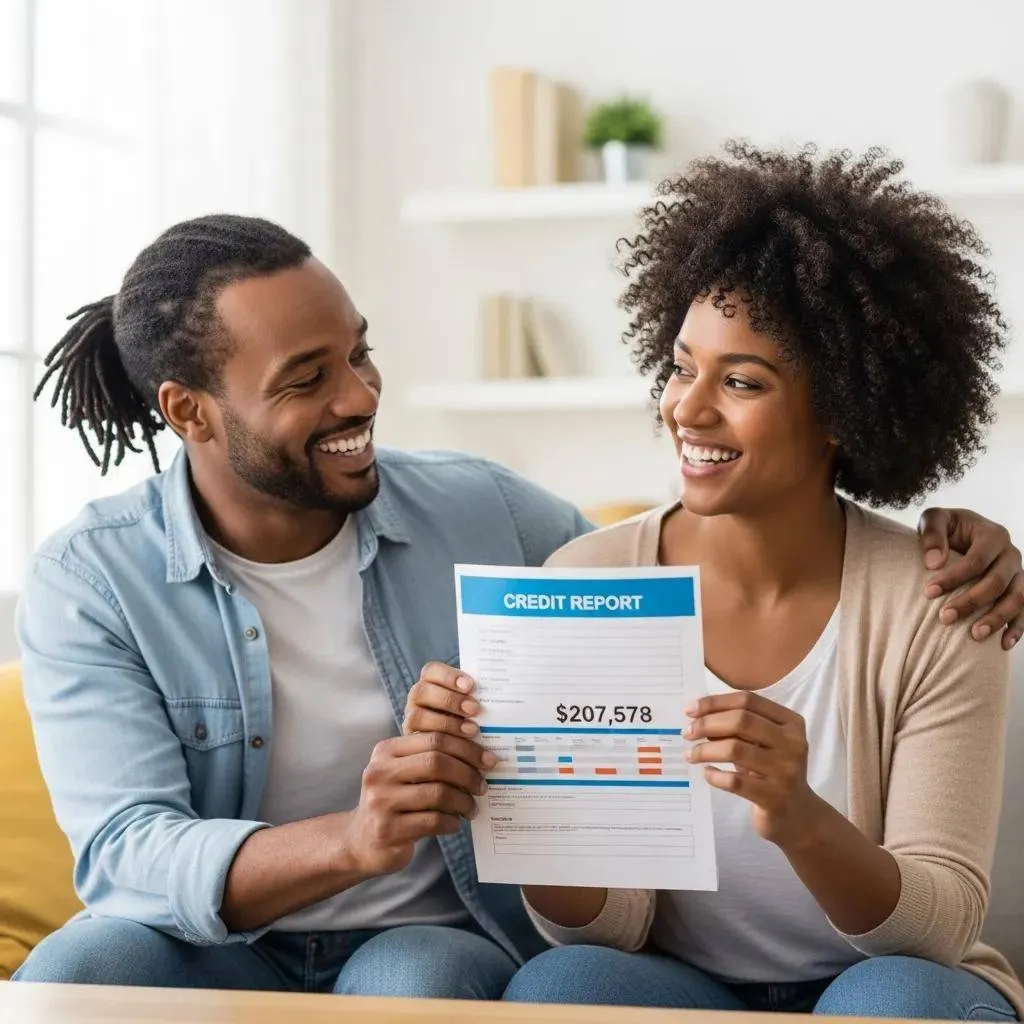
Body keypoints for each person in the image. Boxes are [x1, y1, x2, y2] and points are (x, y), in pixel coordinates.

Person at [12, 212, 1021, 999]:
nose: (361, 396)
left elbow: (683, 550)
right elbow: (127, 850)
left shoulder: (483, 510)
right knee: (69, 977)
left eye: (359, 354)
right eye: (306, 379)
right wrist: (356, 839)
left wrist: (970, 544)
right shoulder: (90, 580)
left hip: (426, 938)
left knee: (431, 982)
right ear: (188, 408)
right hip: (203, 940)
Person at [402, 144, 1024, 1018]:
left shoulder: (940, 599)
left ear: (843, 410)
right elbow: (606, 930)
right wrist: (509, 800)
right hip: (683, 983)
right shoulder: (587, 580)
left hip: (889, 980)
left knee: (897, 1003)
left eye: (741, 381)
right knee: (561, 987)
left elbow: (940, 925)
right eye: (682, 366)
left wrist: (798, 814)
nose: (689, 409)